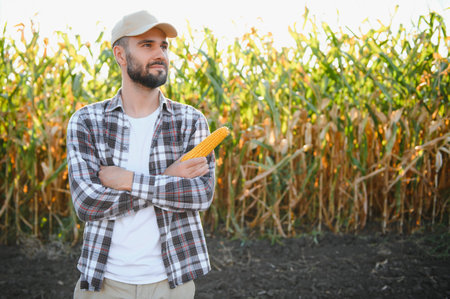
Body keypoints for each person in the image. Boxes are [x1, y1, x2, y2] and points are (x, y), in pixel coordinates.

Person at [67, 10, 215, 298]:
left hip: (172, 281)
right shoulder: (88, 121)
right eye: (147, 45)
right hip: (104, 281)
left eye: (164, 46)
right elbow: (87, 203)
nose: (160, 53)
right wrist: (168, 178)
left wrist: (128, 180)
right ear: (120, 55)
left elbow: (200, 195)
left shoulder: (190, 121)